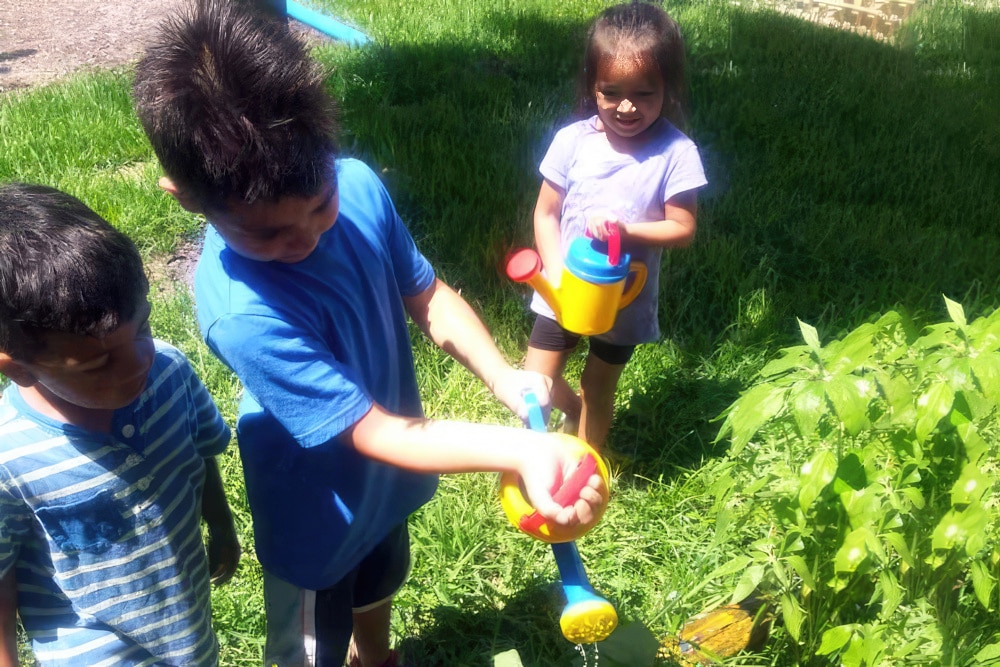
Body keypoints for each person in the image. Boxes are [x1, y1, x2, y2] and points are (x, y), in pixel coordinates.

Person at [131, 2, 607, 666]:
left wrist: (503, 376)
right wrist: (518, 452)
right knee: (310, 643)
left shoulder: (355, 187)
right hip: (314, 514)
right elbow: (373, 431)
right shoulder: (240, 309)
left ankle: (376, 656)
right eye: (267, 232)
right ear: (185, 196)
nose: (306, 237)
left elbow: (431, 296)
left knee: (380, 578)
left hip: (388, 481)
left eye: (319, 205)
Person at [0, 183, 239, 667]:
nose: (138, 363)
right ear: (19, 368)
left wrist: (220, 522)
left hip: (186, 630)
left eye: (144, 329)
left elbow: (201, 454)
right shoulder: (10, 455)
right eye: (97, 364)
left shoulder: (170, 373)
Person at [524, 1, 708, 448]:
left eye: (644, 94)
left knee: (598, 382)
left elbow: (682, 228)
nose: (626, 106)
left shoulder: (676, 153)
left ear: (668, 88)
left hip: (625, 296)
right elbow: (545, 212)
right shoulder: (573, 141)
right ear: (592, 86)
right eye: (611, 92)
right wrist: (554, 271)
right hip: (564, 286)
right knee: (534, 382)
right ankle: (532, 452)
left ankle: (584, 461)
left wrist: (627, 232)